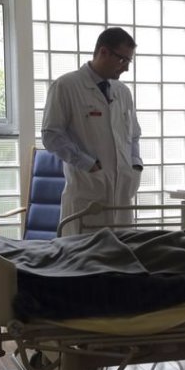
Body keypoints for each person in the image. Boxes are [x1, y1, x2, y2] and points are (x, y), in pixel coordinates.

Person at [42, 27, 143, 236]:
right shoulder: (66, 86)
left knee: (120, 258)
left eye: (129, 61)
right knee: (83, 260)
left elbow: (133, 135)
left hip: (122, 193)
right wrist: (87, 163)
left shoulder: (122, 92)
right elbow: (51, 135)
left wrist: (136, 165)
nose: (126, 68)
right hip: (87, 194)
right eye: (122, 60)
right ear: (104, 52)